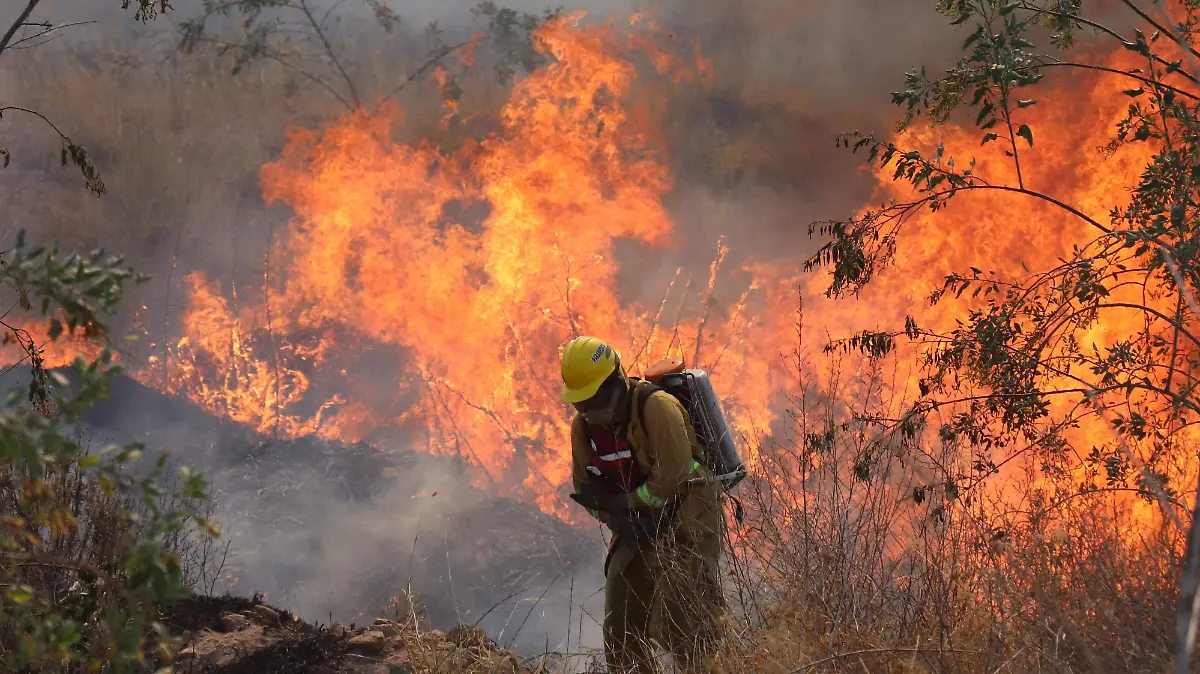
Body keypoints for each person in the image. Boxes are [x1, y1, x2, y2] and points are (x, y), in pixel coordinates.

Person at [561, 336, 725, 674]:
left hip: (687, 509)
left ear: (616, 381)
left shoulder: (656, 407)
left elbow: (674, 477)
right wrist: (614, 517)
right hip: (634, 521)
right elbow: (585, 489)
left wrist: (627, 503)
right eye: (582, 403)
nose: (591, 409)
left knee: (685, 615)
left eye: (597, 397)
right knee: (621, 621)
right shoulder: (583, 429)